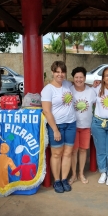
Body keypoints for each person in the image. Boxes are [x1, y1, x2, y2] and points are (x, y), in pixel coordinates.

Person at [41, 61, 76, 193]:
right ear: (52, 73)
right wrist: (55, 129)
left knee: (67, 153)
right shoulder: (48, 90)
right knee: (56, 154)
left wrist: (93, 84)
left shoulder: (67, 84)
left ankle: (64, 179)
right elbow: (46, 111)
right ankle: (57, 180)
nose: (60, 74)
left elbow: (79, 84)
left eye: (62, 72)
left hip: (71, 123)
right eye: (57, 72)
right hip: (57, 126)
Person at [69, 67, 96, 184]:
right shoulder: (69, 90)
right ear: (73, 78)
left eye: (81, 77)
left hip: (86, 125)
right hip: (72, 125)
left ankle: (81, 173)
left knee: (83, 150)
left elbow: (97, 104)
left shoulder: (91, 91)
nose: (79, 79)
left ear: (85, 78)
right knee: (73, 151)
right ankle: (74, 174)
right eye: (76, 77)